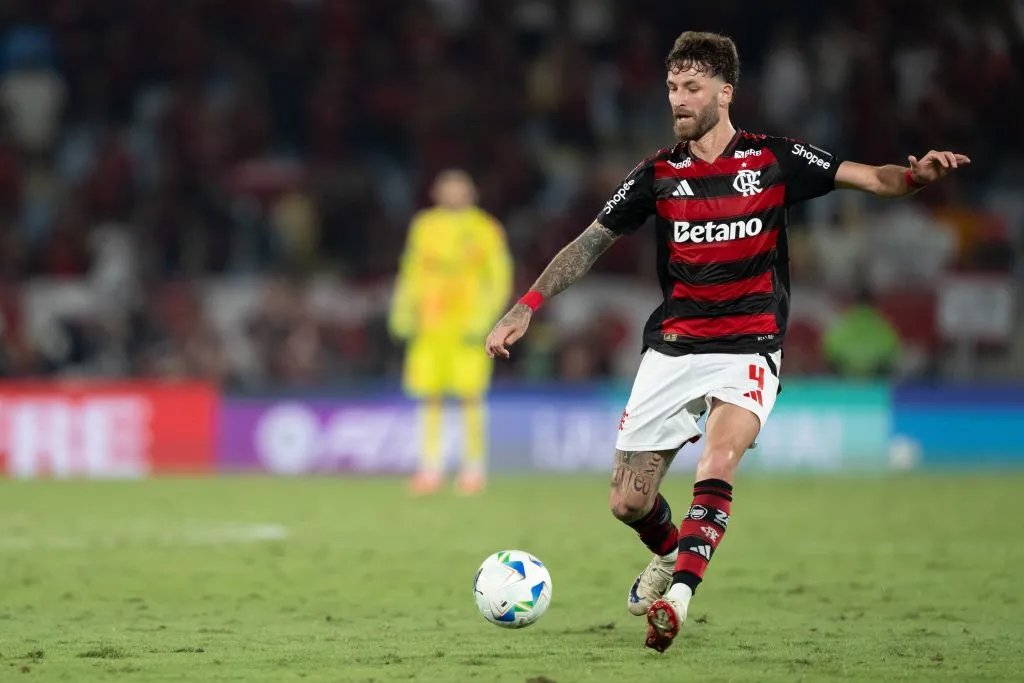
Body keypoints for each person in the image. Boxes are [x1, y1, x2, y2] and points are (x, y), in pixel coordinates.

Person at [485, 31, 968, 652]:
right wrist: (526, 306)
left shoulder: (773, 158)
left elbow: (874, 178)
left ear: (725, 92)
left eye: (692, 87)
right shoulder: (659, 173)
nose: (678, 100)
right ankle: (669, 553)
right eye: (671, 88)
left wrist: (916, 176)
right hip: (674, 347)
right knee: (628, 503)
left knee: (717, 463)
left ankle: (679, 600)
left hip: (750, 344)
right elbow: (589, 243)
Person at [389, 170, 513, 495]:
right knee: (429, 396)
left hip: (467, 327)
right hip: (429, 326)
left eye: (459, 189)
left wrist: (487, 318)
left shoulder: (485, 228)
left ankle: (473, 468)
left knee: (470, 396)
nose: (453, 194)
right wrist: (403, 310)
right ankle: (430, 468)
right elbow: (410, 270)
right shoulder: (424, 226)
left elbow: (499, 276)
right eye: (447, 189)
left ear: (471, 193)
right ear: (435, 193)